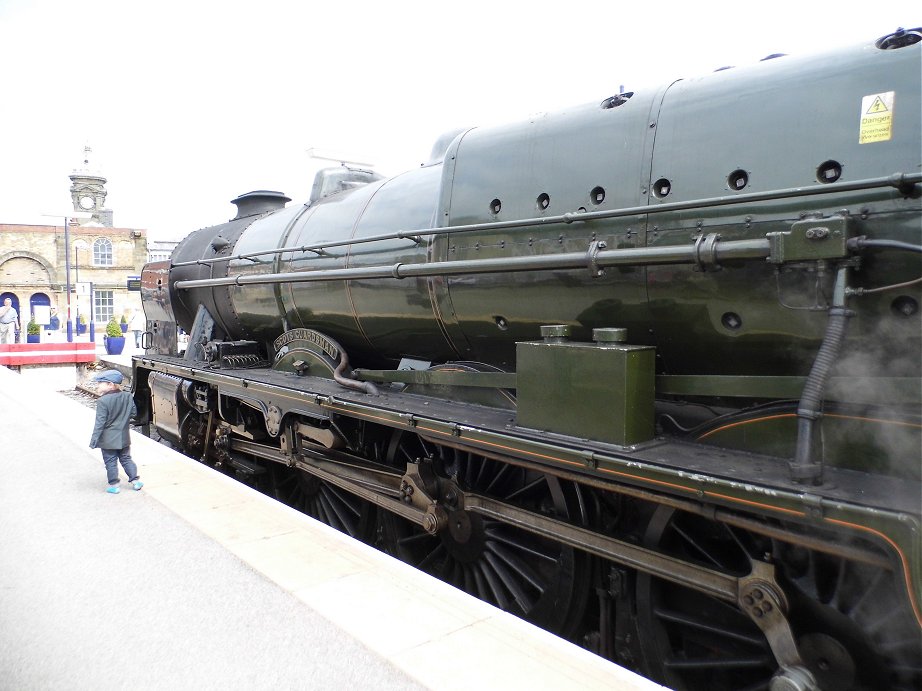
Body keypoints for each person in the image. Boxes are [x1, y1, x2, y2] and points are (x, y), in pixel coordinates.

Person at [89, 369, 143, 494]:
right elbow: (134, 413)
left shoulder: (103, 401)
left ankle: (114, 485)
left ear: (110, 384)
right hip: (124, 437)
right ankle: (135, 481)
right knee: (126, 459)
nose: (97, 385)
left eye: (100, 382)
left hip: (108, 440)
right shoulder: (127, 396)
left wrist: (94, 440)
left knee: (110, 462)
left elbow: (100, 423)